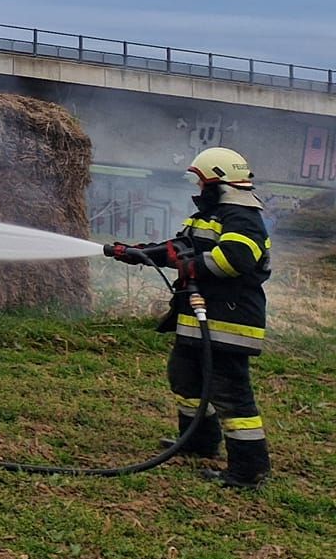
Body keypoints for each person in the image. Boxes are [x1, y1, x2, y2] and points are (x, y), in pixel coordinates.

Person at [106, 146, 273, 488]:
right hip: (199, 319)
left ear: (217, 182)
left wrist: (191, 267)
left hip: (228, 322)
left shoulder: (242, 216)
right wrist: (138, 253)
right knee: (185, 378)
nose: (198, 189)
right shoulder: (210, 216)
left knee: (230, 395)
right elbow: (179, 249)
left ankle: (249, 469)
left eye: (201, 182)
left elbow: (236, 258)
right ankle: (199, 441)